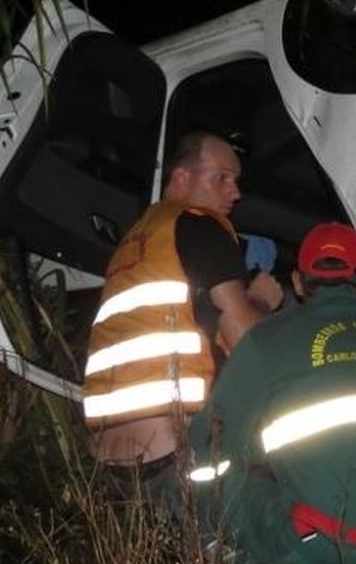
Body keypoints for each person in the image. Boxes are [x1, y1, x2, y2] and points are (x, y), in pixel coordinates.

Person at [187, 222, 356, 563]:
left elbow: (211, 441)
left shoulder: (268, 338)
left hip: (325, 546)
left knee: (217, 475)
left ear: (298, 282)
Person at [82, 129, 283, 473]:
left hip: (107, 459)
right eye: (221, 178)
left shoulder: (136, 240)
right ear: (180, 177)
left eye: (235, 180)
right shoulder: (198, 225)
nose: (235, 192)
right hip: (172, 450)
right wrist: (263, 301)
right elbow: (246, 340)